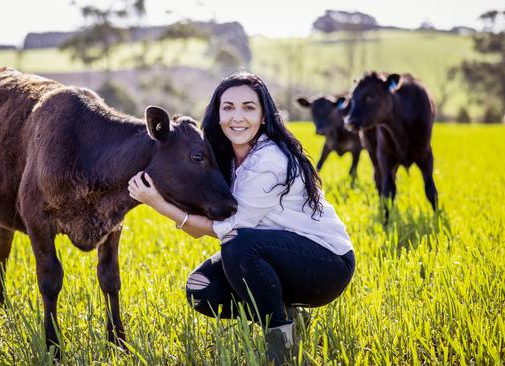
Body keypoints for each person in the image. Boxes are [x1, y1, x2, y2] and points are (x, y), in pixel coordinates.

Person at [127, 72, 355, 364]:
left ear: (263, 117)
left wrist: (158, 204)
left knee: (238, 244)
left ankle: (282, 352)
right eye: (229, 107)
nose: (238, 116)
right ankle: (289, 316)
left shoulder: (269, 160)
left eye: (249, 107)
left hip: (327, 264)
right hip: (277, 255)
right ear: (218, 115)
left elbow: (227, 230)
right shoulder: (226, 159)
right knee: (201, 289)